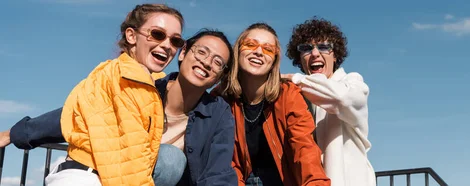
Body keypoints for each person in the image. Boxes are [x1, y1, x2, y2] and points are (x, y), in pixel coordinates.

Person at [0, 29, 239, 186]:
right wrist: (13, 134)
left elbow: (217, 172)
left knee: (169, 159)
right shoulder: (140, 87)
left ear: (218, 77)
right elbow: (81, 114)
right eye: (201, 52)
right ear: (183, 53)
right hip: (104, 174)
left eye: (217, 62)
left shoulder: (218, 114)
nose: (207, 62)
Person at [212, 22, 331, 186]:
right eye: (250, 44)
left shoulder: (288, 95)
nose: (259, 52)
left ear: (274, 60)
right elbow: (224, 162)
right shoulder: (221, 98)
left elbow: (304, 148)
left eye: (268, 49)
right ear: (238, 50)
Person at [282, 17, 376, 186]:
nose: (315, 53)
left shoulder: (352, 82)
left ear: (335, 56)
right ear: (300, 58)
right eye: (306, 48)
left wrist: (294, 78)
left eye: (324, 47)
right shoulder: (298, 96)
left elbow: (342, 99)